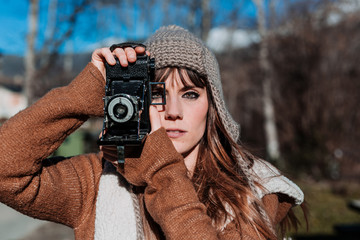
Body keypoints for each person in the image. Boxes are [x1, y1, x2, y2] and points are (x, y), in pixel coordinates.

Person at [0, 25, 304, 239]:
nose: (172, 110)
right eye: (157, 94)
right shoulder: (98, 181)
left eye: (190, 94)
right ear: (138, 99)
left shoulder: (252, 190)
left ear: (214, 107)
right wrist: (84, 95)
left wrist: (161, 169)